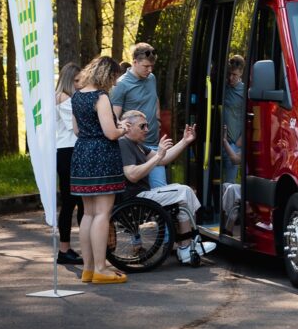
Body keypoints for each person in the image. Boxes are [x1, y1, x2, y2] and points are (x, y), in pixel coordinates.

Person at [118, 110, 216, 264]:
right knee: (184, 191)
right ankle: (186, 247)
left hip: (142, 195)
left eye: (147, 126)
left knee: (182, 197)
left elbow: (164, 159)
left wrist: (184, 141)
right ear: (128, 127)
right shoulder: (124, 143)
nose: (147, 130)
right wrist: (157, 156)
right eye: (142, 126)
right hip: (136, 197)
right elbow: (132, 175)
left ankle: (185, 246)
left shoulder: (138, 145)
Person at [71, 56, 129, 284]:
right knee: (103, 213)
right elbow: (110, 133)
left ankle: (87, 268)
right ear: (106, 75)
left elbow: (76, 131)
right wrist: (122, 128)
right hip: (102, 156)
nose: (114, 83)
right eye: (114, 78)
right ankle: (101, 268)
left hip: (82, 153)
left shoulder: (77, 96)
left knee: (88, 213)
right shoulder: (100, 97)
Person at [111, 43, 165, 188]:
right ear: (135, 62)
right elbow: (114, 117)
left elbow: (155, 99)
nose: (149, 70)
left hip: (153, 141)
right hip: (134, 146)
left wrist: (158, 119)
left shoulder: (152, 78)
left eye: (151, 66)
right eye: (146, 66)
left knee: (160, 188)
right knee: (144, 195)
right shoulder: (121, 85)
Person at [55, 62, 84, 264]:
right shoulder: (64, 99)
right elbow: (77, 128)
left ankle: (70, 248)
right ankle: (65, 250)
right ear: (68, 80)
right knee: (74, 202)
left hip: (67, 152)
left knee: (74, 202)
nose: (80, 84)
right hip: (69, 152)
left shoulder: (62, 97)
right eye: (76, 81)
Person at [222, 55, 246, 183]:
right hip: (220, 141)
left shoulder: (244, 91)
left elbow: (249, 116)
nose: (231, 78)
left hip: (234, 143)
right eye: (229, 74)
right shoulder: (223, 88)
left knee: (229, 183)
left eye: (234, 75)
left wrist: (240, 141)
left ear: (241, 73)